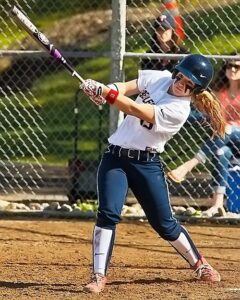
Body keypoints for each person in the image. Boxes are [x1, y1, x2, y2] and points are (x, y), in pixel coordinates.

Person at [80, 54, 225, 293]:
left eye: (191, 85)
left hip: (146, 164)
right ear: (177, 71)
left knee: (164, 224)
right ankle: (98, 275)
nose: (182, 84)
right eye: (182, 77)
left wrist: (106, 93)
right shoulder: (160, 77)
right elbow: (127, 88)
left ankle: (199, 263)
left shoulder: (179, 110)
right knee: (107, 214)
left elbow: (134, 108)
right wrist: (104, 89)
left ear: (196, 91)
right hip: (115, 158)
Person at [168, 55, 240, 217]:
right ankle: (218, 204)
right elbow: (209, 116)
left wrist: (232, 126)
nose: (233, 69)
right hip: (224, 139)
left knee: (227, 129)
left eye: (237, 67)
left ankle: (188, 165)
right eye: (230, 66)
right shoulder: (219, 92)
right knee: (221, 152)